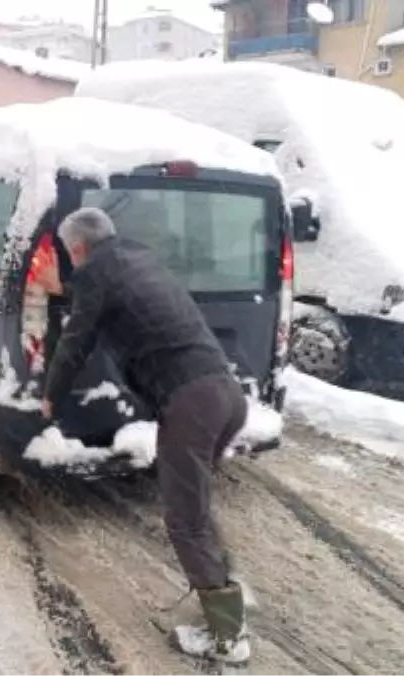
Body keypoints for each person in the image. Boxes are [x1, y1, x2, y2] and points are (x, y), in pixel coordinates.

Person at [35, 207, 251, 664]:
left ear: (77, 249)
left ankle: (228, 637)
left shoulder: (94, 271)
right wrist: (65, 290)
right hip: (225, 394)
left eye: (69, 256)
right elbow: (114, 298)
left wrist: (51, 395)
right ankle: (225, 588)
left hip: (191, 402)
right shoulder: (136, 258)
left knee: (184, 519)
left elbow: (77, 340)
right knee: (194, 505)